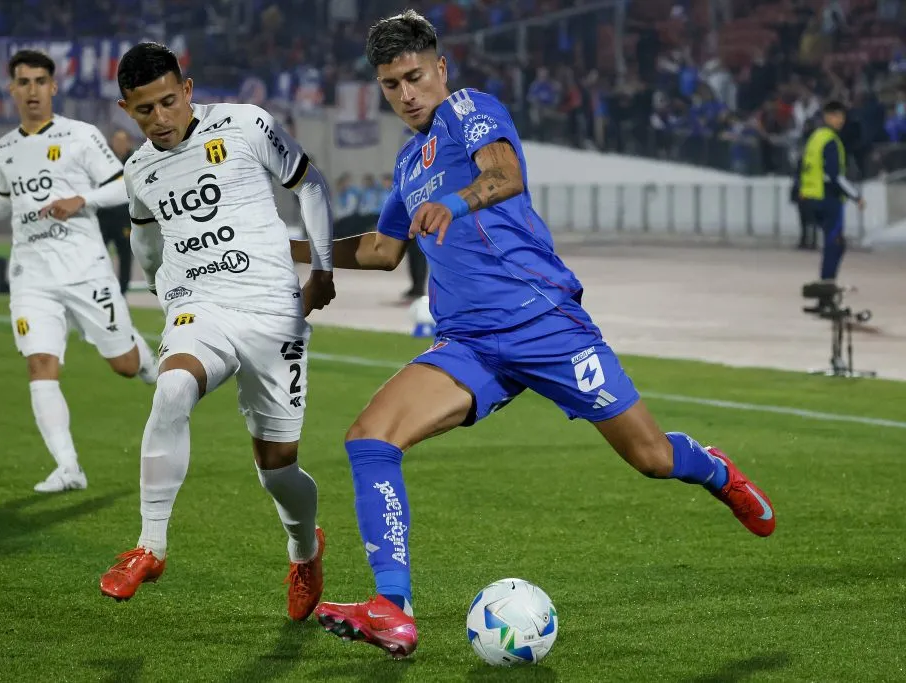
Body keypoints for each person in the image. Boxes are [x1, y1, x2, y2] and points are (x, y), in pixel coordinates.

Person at [290, 11, 776, 659]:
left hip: (544, 321)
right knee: (370, 437)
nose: (406, 94)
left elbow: (506, 174)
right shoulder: (409, 162)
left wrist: (458, 202)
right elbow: (382, 249)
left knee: (652, 458)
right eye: (390, 85)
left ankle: (714, 468)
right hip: (469, 344)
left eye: (414, 77)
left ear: (440, 69)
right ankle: (392, 607)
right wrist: (295, 248)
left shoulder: (469, 108)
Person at [98, 43, 335, 623]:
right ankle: (150, 547)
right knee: (172, 389)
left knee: (278, 469)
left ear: (189, 88)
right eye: (145, 109)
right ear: (127, 109)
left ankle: (305, 551)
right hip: (199, 307)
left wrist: (323, 268)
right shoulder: (139, 170)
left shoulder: (247, 125)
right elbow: (145, 239)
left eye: (168, 101)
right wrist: (162, 289)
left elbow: (309, 185)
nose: (160, 118)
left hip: (272, 312)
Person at [0, 50, 159, 493]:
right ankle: (69, 468)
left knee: (124, 365)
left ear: (53, 87)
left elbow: (123, 181)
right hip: (32, 274)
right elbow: (5, 200)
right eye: (23, 82)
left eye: (40, 81)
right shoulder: (4, 149)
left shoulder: (80, 136)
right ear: (12, 89)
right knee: (41, 364)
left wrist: (80, 200)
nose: (32, 90)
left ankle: (145, 358)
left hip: (85, 268)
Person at [798, 100, 865, 306]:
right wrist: (856, 196)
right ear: (828, 117)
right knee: (834, 244)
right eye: (837, 116)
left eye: (842, 116)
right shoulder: (831, 141)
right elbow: (835, 176)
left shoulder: (815, 138)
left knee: (834, 243)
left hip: (810, 197)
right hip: (828, 198)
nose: (841, 120)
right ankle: (826, 292)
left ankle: (825, 287)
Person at [97, 129, 136, 294]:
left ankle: (123, 291)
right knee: (98, 257)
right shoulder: (102, 160)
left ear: (128, 143)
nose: (119, 144)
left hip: (125, 218)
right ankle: (101, 289)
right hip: (104, 217)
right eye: (116, 140)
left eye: (122, 141)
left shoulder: (135, 161)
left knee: (126, 256)